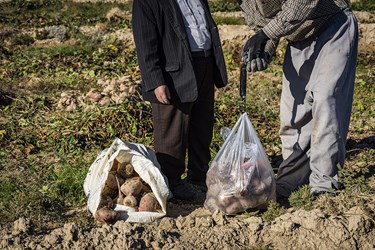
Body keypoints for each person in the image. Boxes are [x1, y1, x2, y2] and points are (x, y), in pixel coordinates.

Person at [237, 0, 358, 200]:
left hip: (332, 26)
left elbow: (303, 2)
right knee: (293, 111)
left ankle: (323, 183)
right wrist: (264, 51)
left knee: (326, 99)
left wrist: (265, 34)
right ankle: (293, 179)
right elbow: (264, 24)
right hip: (299, 38)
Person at [132, 0, 228, 200]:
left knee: (202, 124)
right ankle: (172, 181)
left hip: (205, 63)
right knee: (172, 130)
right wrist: (156, 81)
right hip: (173, 73)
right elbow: (145, 44)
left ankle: (198, 177)